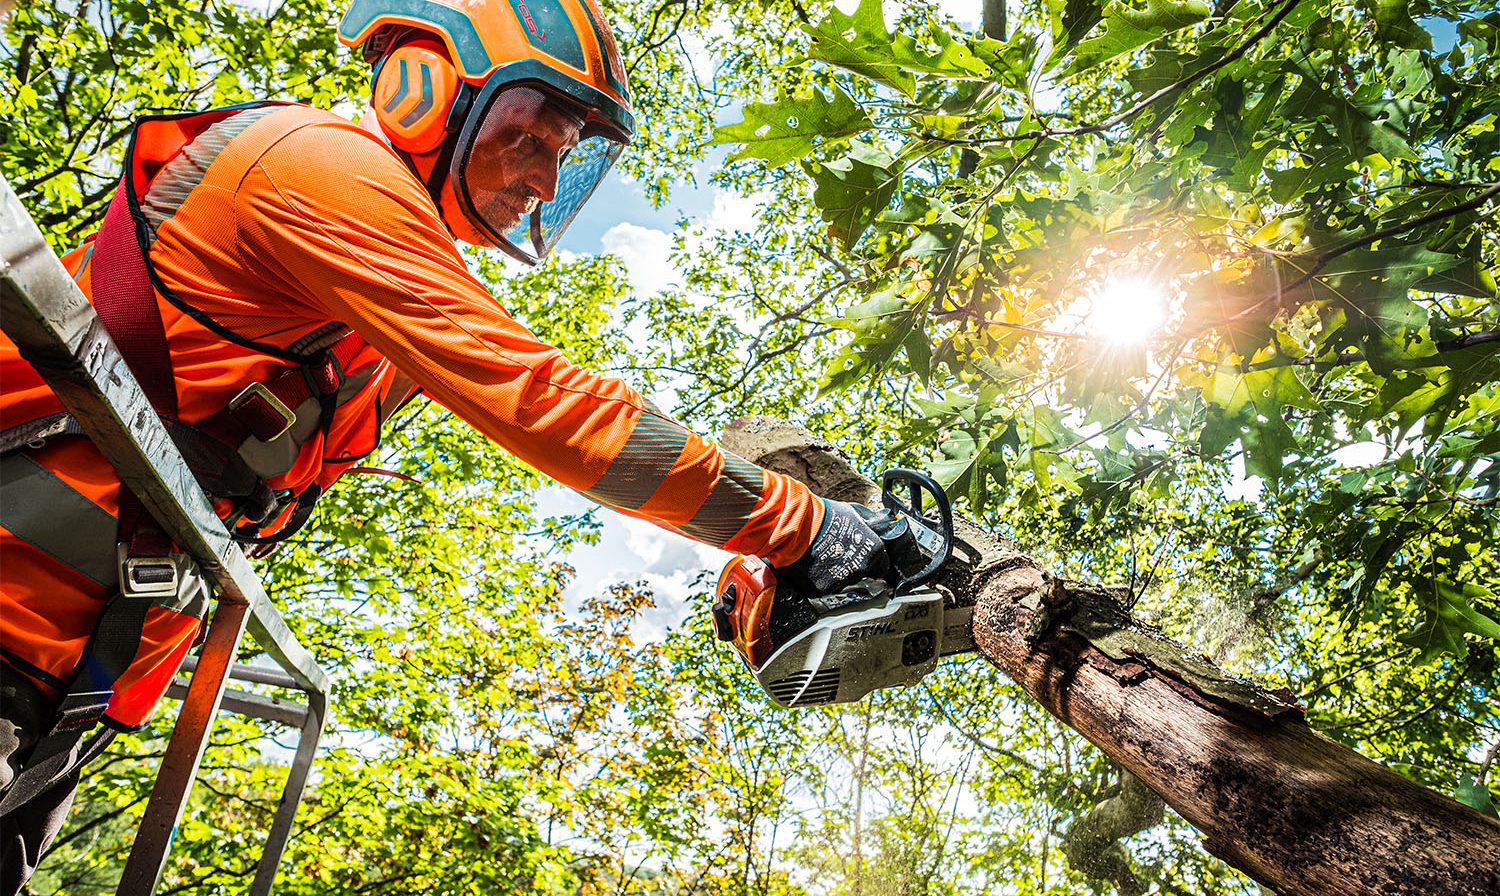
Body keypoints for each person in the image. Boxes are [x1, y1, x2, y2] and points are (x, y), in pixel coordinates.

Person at [0, 0, 889, 888]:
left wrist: (754, 550)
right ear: (427, 83)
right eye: (535, 137)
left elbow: (567, 424)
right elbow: (545, 405)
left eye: (566, 155)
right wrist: (801, 528)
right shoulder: (316, 167)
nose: (546, 181)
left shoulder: (373, 306)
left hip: (57, 697)